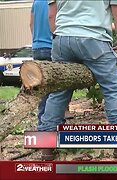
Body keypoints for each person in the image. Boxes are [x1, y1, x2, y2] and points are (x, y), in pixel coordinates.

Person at [39, 0, 117, 160]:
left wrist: (62, 37)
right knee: (113, 86)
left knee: (59, 92)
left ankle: (47, 148)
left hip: (61, 40)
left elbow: (51, 15)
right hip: (94, 39)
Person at [30, 0, 72, 132]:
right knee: (58, 88)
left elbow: (31, 24)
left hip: (37, 47)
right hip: (53, 45)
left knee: (43, 89)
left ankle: (42, 123)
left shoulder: (36, 2)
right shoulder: (57, 1)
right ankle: (54, 125)